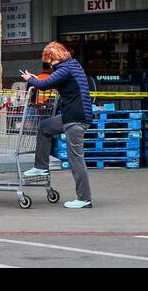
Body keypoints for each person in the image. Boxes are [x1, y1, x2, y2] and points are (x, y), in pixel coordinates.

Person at [21, 42, 95, 209]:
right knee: (45, 127)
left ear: (55, 58)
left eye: (50, 61)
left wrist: (31, 80)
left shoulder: (65, 68)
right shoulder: (72, 65)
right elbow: (52, 82)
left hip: (75, 119)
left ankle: (84, 199)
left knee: (75, 158)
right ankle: (41, 167)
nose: (50, 65)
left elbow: (44, 84)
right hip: (72, 116)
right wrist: (35, 78)